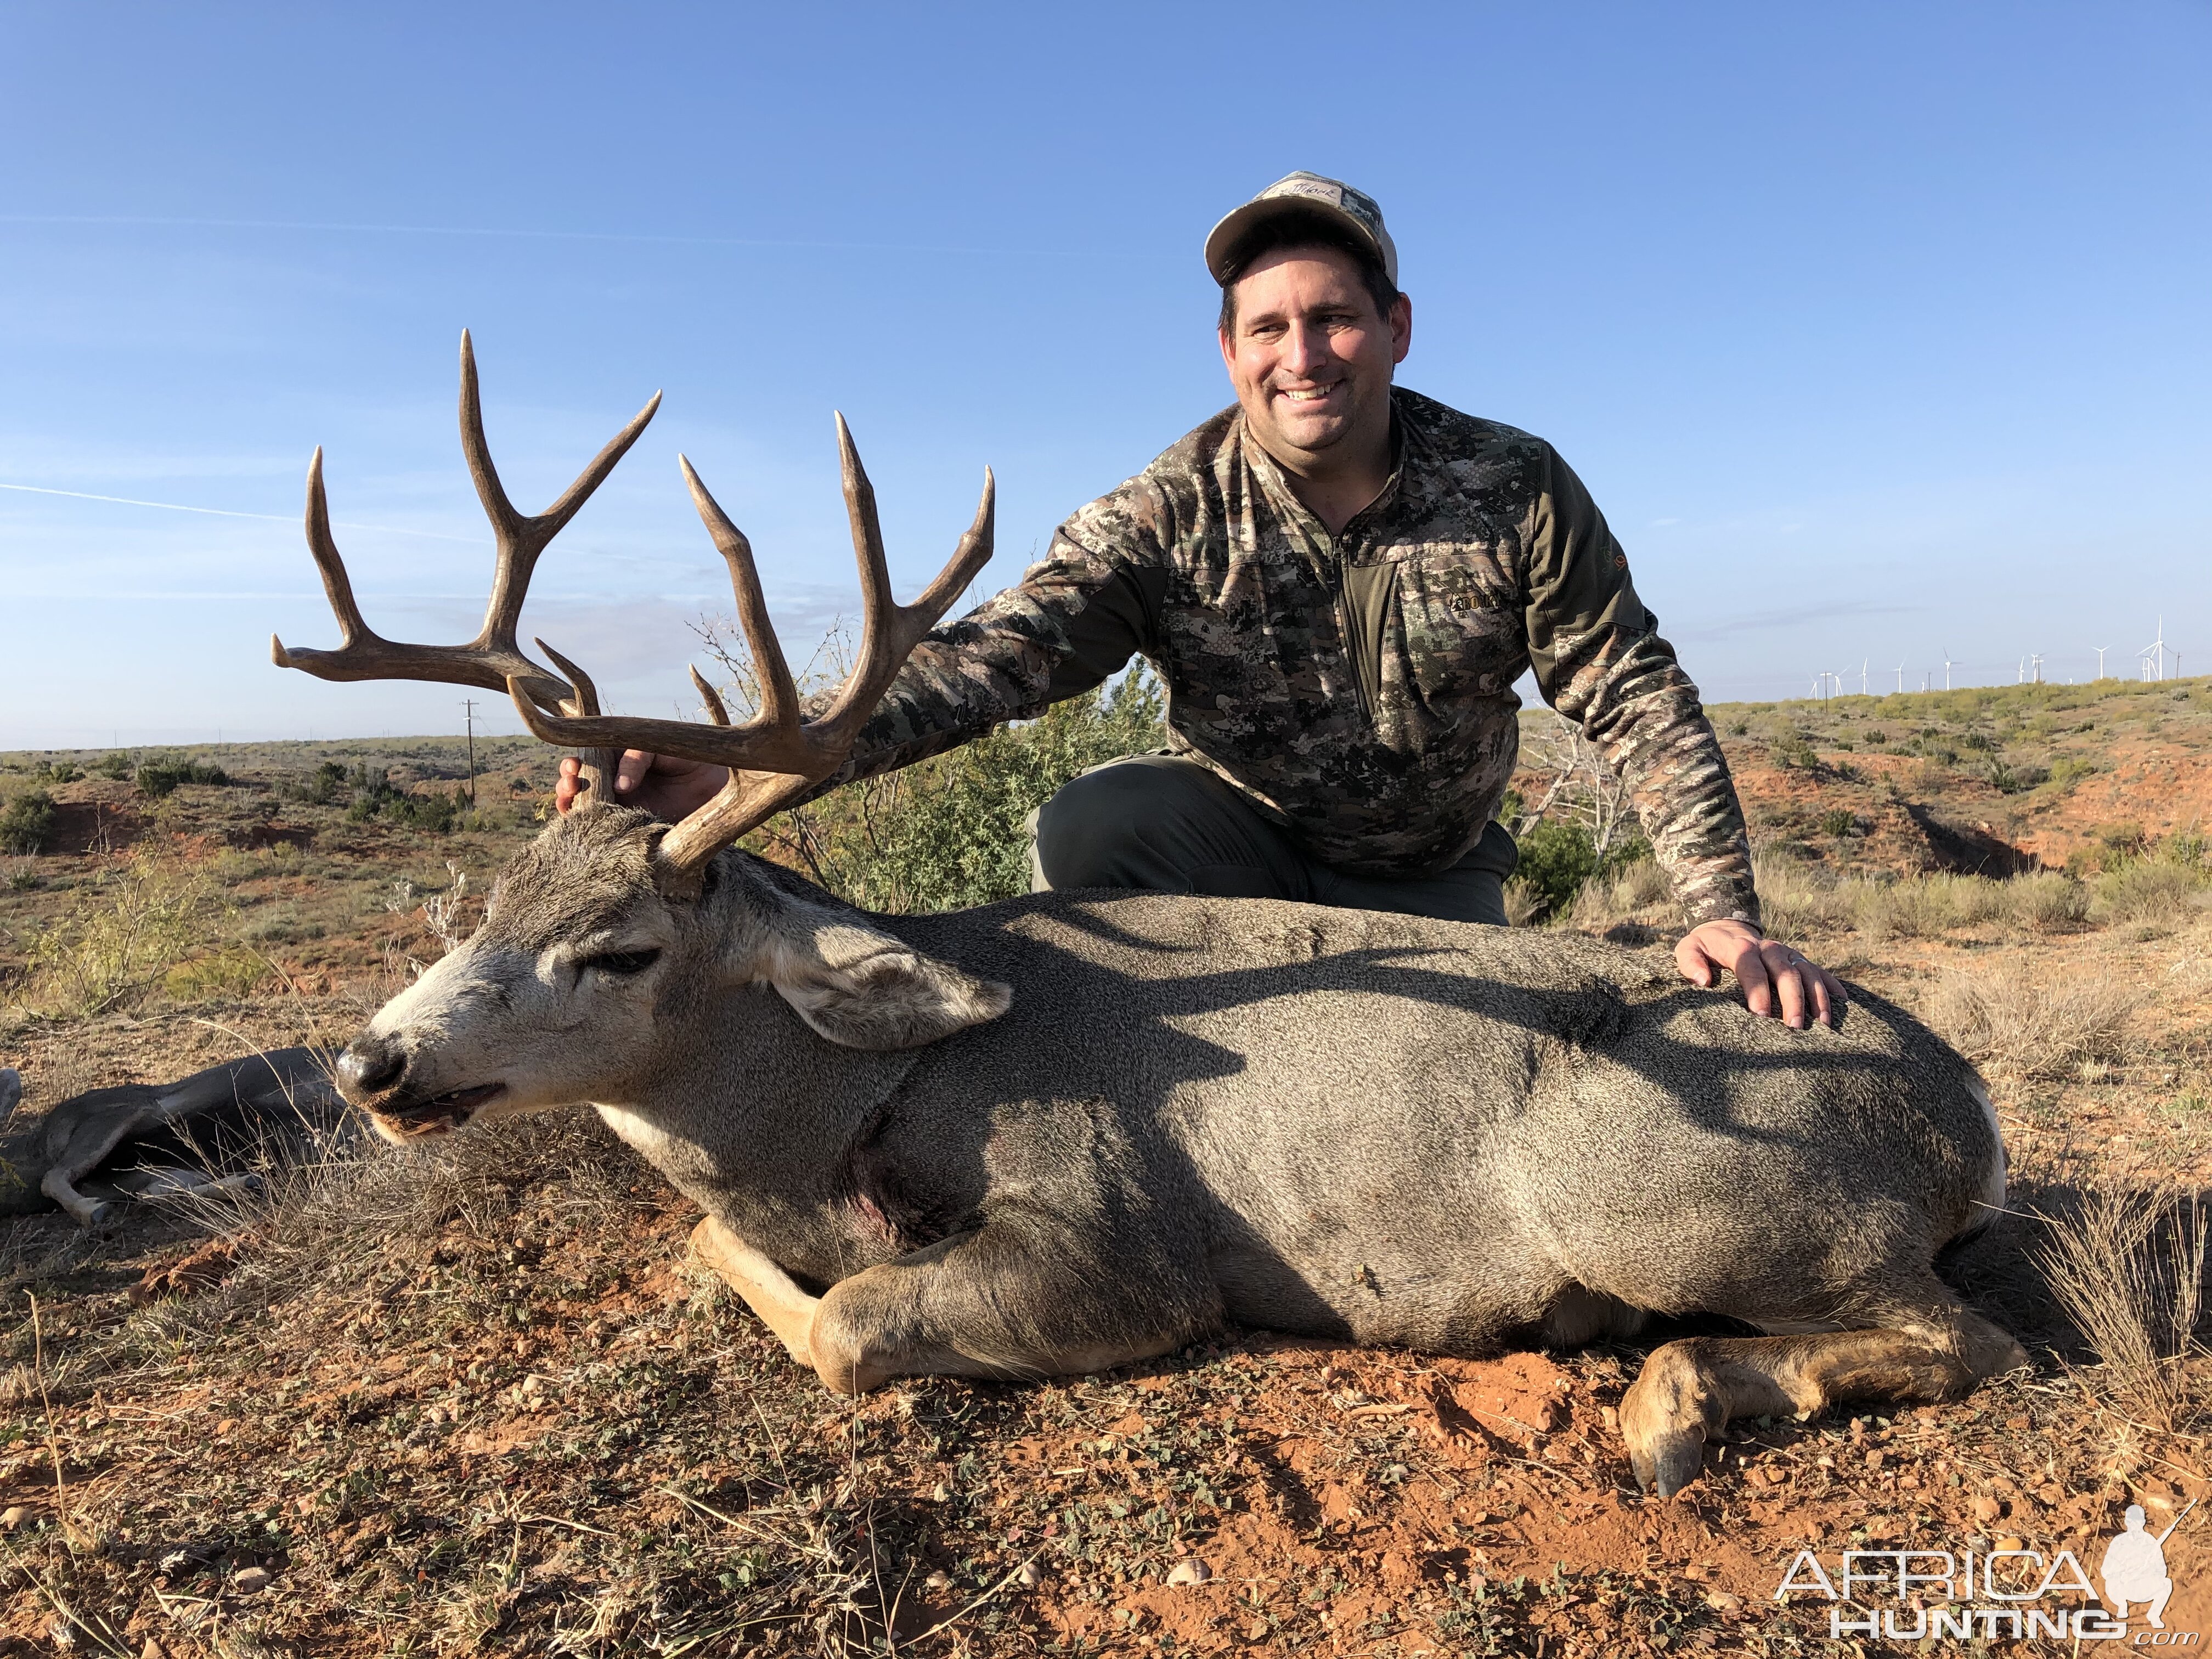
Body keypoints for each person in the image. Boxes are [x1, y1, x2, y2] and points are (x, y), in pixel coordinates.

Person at [559, 171, 1844, 1028]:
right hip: (1227, 863)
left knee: (1483, 1051)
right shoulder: (1164, 510)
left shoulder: (1512, 486)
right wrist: (715, 769)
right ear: (1229, 351)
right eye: (1269, 326)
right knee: (1094, 821)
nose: (1304, 354)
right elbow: (995, 663)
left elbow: (1628, 692)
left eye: (1334, 317)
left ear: (1397, 326)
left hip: (1432, 872)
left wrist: (1724, 918)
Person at [2101, 1504, 2175, 1627]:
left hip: (2143, 1587)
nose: (2134, 1525)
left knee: (2167, 1583)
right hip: (2123, 1587)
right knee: (2111, 1581)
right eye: (2131, 1522)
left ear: (2143, 1522)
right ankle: (2122, 1606)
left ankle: (2154, 1615)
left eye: (2138, 1522)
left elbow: (2162, 1570)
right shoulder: (2119, 1542)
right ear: (2126, 1522)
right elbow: (2106, 1571)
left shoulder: (2151, 1542)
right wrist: (2124, 1571)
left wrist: (2148, 1568)